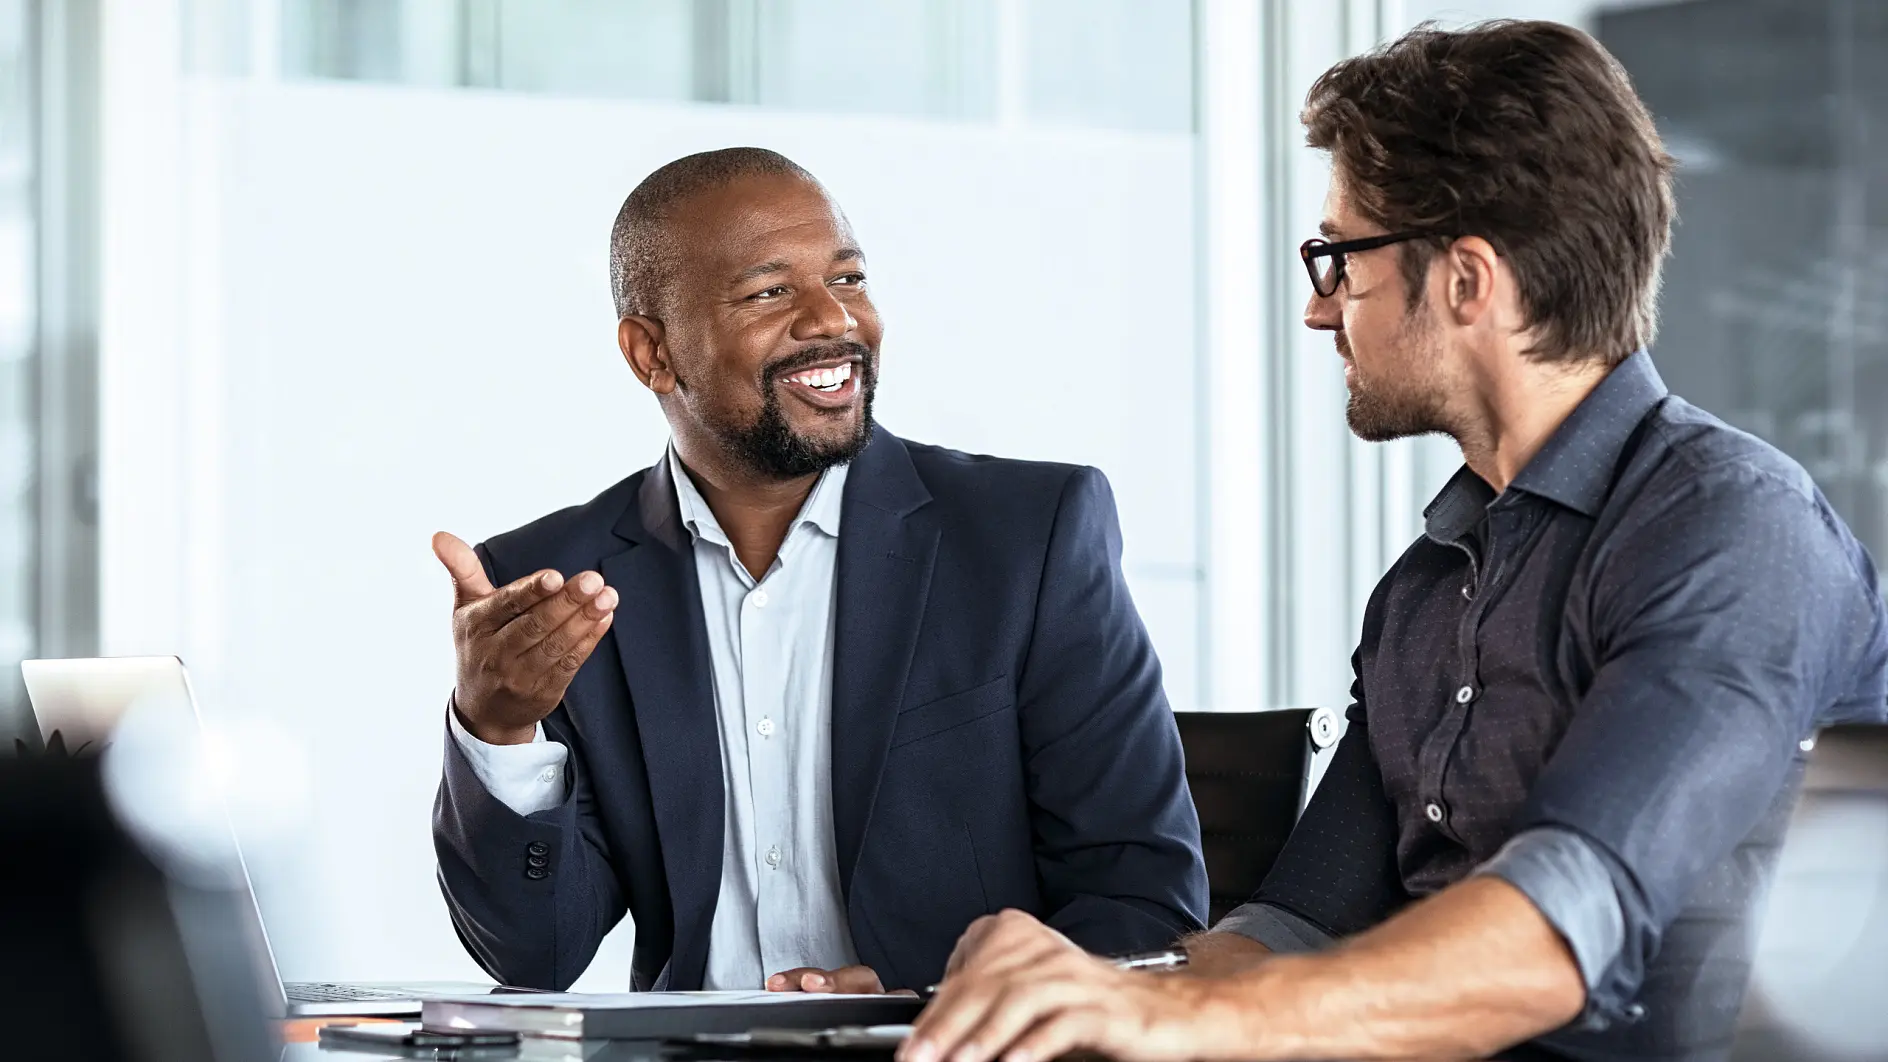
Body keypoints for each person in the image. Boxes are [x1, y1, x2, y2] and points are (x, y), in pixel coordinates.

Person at [903, 20, 1888, 1062]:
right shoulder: (1425, 589)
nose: (1318, 311)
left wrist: (1177, 1019)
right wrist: (1047, 996)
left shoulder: (1732, 529)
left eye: (1340, 259)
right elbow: (1287, 934)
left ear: (1466, 279)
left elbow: (1558, 931)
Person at [429, 147, 1207, 995]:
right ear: (651, 353)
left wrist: (931, 1004)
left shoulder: (1027, 539)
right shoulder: (556, 586)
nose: (833, 320)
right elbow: (534, 956)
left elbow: (1143, 906)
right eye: (770, 292)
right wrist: (496, 729)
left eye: (848, 278)